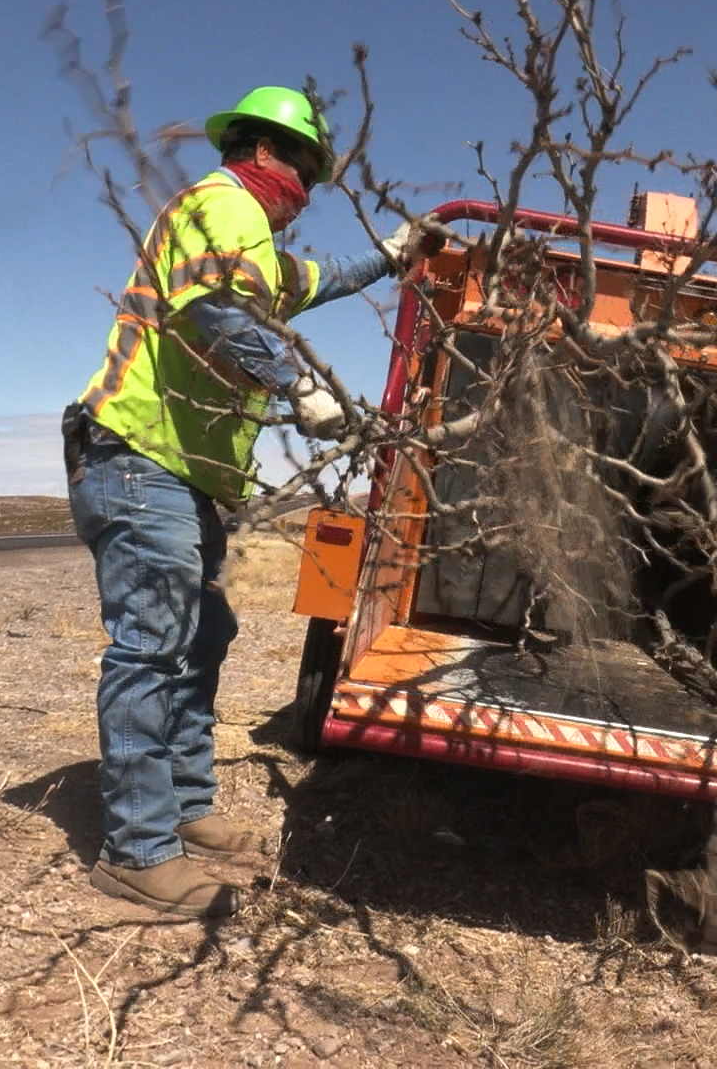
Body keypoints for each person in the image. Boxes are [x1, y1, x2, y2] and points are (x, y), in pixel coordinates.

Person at [64, 86, 439, 917]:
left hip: (180, 475)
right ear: (266, 151)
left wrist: (393, 251)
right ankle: (135, 852)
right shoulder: (220, 204)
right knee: (154, 649)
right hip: (137, 457)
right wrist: (296, 384)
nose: (308, 189)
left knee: (202, 638)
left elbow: (317, 277)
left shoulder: (257, 249)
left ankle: (185, 809)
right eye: (305, 168)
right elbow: (209, 312)